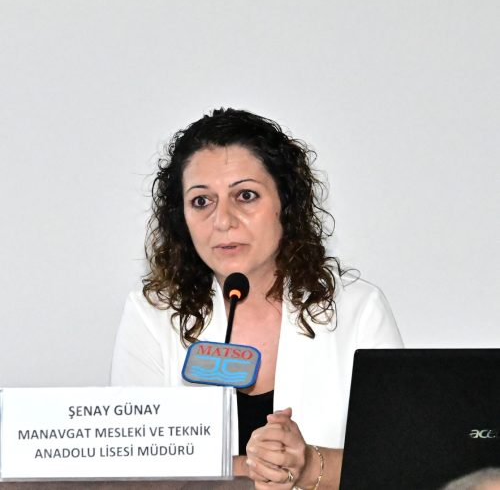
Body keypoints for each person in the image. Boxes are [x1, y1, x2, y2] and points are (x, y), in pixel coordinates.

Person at [111, 108, 403, 489]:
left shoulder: (357, 310)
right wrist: (252, 466)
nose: (223, 220)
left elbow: (399, 465)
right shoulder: (153, 314)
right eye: (201, 201)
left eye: (245, 196)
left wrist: (308, 464)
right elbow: (132, 465)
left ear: (286, 203)